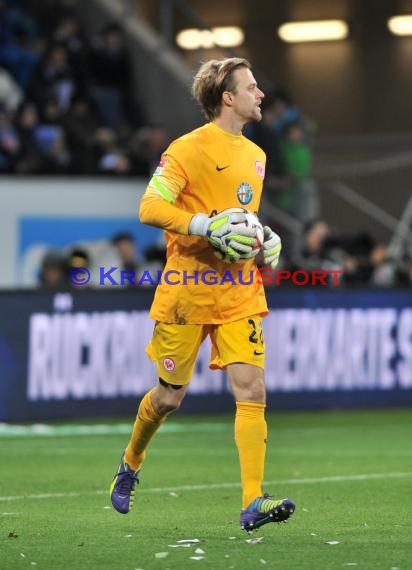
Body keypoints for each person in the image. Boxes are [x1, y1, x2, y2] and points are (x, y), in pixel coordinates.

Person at [109, 57, 295, 532]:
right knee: (169, 398)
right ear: (227, 98)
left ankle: (253, 502)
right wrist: (201, 225)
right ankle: (131, 462)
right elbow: (149, 206)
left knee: (252, 390)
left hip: (238, 292)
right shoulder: (187, 149)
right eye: (252, 88)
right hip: (188, 292)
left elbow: (240, 216)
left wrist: (265, 239)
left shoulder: (257, 156)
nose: (261, 95)